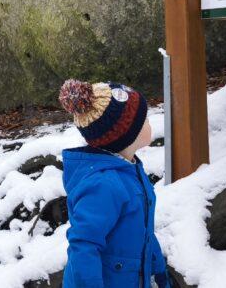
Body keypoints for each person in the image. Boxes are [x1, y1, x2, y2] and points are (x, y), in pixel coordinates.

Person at [58, 79, 168, 288]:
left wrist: (158, 273)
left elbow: (144, 233)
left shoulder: (130, 170)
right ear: (127, 135)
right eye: (144, 119)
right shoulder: (103, 185)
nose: (149, 122)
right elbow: (84, 247)